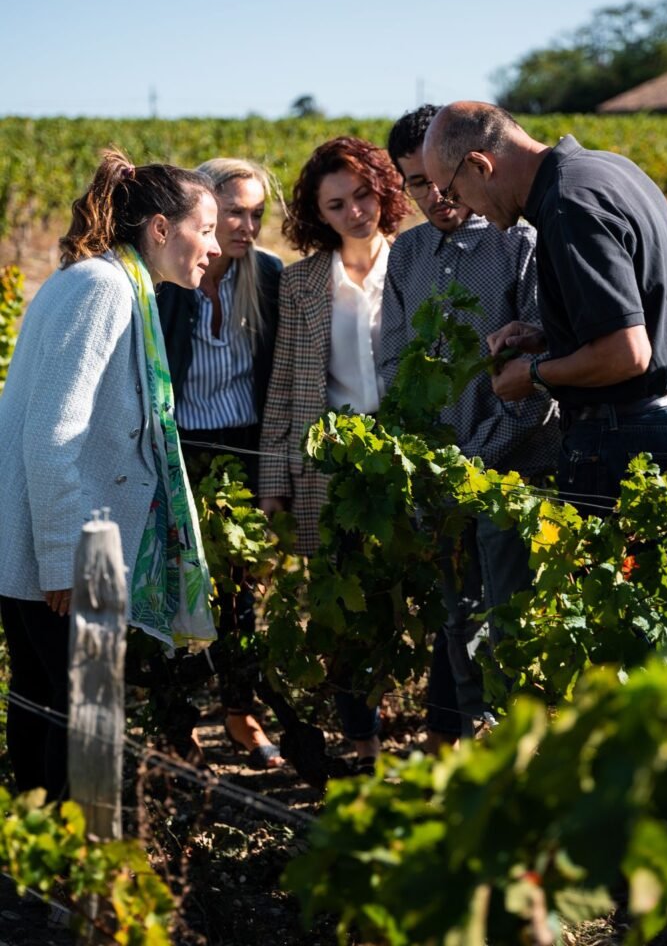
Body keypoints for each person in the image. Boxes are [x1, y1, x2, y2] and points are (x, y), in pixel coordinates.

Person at [0, 150, 220, 799]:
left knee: (45, 699)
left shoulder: (107, 281)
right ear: (159, 228)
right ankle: (75, 865)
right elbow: (52, 434)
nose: (211, 247)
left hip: (53, 546)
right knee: (81, 713)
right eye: (202, 229)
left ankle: (41, 855)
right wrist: (65, 560)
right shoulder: (102, 288)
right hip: (63, 557)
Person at [382, 106, 559, 746]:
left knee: (511, 623)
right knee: (457, 623)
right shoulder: (407, 254)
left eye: (436, 181)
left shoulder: (521, 242)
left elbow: (540, 376)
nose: (433, 197)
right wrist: (430, 460)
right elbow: (395, 363)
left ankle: (519, 755)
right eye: (414, 184)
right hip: (441, 477)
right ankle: (467, 759)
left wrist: (480, 459)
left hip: (516, 472)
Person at [422, 101, 667, 507]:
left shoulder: (568, 205)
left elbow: (627, 354)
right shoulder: (608, 169)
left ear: (480, 165)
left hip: (621, 440)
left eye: (455, 192)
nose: (465, 208)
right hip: (656, 425)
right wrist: (550, 337)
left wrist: (534, 374)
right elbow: (638, 311)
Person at [259, 136, 410, 770]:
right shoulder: (299, 285)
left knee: (411, 601)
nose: (355, 211)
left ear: (383, 190)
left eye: (363, 194)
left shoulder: (417, 264)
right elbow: (286, 385)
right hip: (332, 468)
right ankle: (365, 744)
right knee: (344, 610)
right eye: (336, 204)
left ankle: (440, 733)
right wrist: (273, 477)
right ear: (317, 215)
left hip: (406, 465)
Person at [158, 157, 284, 770]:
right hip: (179, 445)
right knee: (176, 584)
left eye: (256, 213)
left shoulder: (268, 276)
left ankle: (240, 711)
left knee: (242, 593)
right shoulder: (169, 277)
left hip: (242, 445)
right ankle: (178, 725)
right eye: (235, 211)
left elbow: (278, 381)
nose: (246, 225)